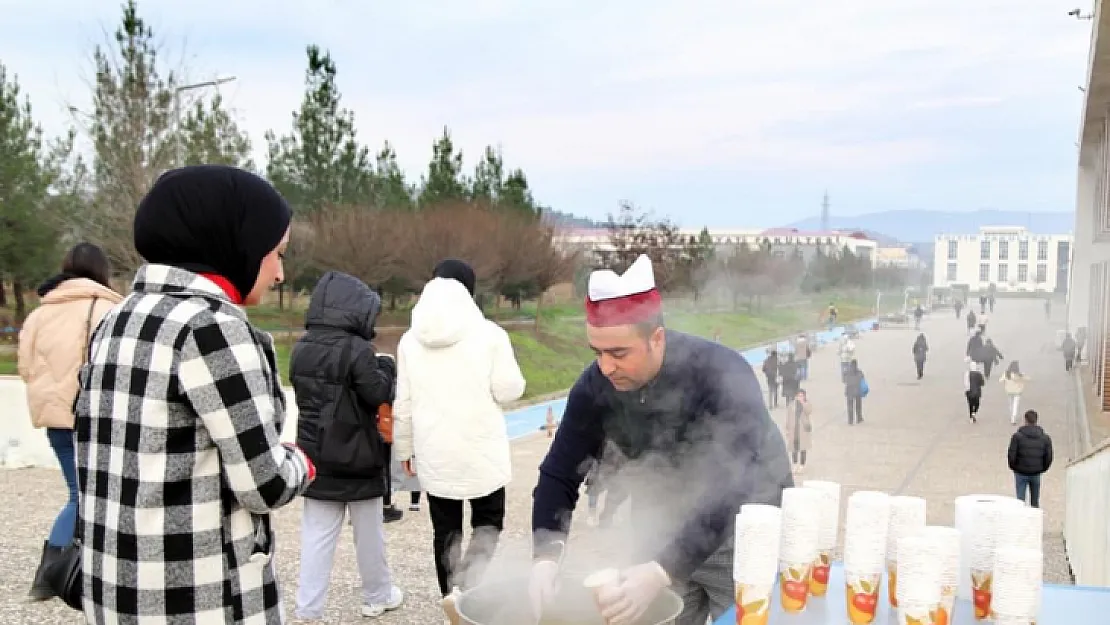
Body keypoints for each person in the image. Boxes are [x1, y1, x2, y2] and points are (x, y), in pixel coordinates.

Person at [75, 166, 315, 623]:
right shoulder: (211, 329)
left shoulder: (118, 319)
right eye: (276, 254)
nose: (280, 273)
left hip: (117, 587)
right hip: (197, 598)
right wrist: (302, 461)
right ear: (233, 242)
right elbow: (265, 484)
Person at [528, 255, 792, 625]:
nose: (605, 367)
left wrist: (661, 569)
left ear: (656, 338)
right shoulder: (595, 385)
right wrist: (545, 556)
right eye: (597, 352)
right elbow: (559, 473)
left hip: (743, 523)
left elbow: (735, 487)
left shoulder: (722, 373)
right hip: (663, 517)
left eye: (619, 353)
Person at [392, 259, 527, 623]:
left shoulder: (409, 340)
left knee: (445, 529)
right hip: (481, 448)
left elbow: (402, 402)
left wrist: (404, 450)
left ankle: (450, 594)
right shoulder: (490, 334)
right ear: (469, 290)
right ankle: (470, 589)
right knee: (488, 522)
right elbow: (509, 389)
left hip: (435, 450)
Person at [289, 272, 403, 619]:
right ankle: (377, 595)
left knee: (316, 537)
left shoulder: (302, 346)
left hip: (315, 454)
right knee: (369, 535)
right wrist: (385, 365)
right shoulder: (357, 350)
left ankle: (308, 609)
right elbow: (377, 393)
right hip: (358, 455)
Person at [17, 243, 123, 601]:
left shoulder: (39, 314)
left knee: (78, 491)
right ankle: (52, 575)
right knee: (89, 495)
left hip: (54, 418)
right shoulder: (107, 310)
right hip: (93, 417)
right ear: (102, 271)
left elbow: (25, 368)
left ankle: (64, 572)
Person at [1007, 410, 1053, 508]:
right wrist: (1042, 468)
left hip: (1020, 472)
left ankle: (1021, 519)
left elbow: (1011, 455)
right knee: (1035, 501)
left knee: (1020, 501)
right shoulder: (1045, 438)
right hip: (1036, 472)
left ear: (1025, 420)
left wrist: (1015, 467)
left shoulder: (1017, 437)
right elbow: (1049, 456)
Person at [783, 389, 813, 477]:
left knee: (803, 448)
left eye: (802, 395)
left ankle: (802, 465)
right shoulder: (792, 405)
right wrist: (787, 429)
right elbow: (788, 417)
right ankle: (795, 464)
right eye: (798, 395)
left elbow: (809, 411)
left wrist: (803, 403)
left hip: (803, 429)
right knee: (794, 448)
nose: (800, 397)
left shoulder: (807, 404)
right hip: (794, 429)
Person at [999, 361, 1032, 426]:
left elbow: (1000, 380)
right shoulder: (1019, 374)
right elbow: (1028, 379)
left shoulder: (1006, 374)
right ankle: (1013, 418)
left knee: (1011, 404)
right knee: (1015, 405)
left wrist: (1006, 382)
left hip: (1009, 391)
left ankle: (1012, 415)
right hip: (1017, 392)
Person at [844, 359, 866, 425]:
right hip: (857, 391)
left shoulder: (847, 372)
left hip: (849, 390)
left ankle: (850, 420)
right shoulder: (859, 372)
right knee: (858, 405)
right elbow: (863, 379)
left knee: (850, 406)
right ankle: (859, 418)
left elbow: (844, 380)